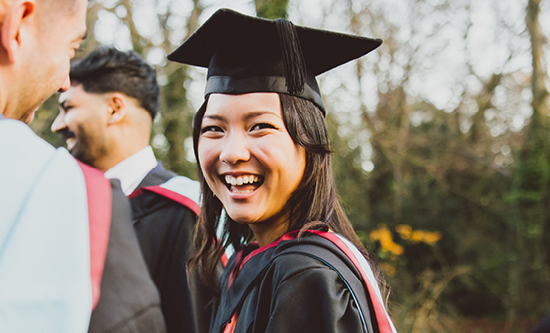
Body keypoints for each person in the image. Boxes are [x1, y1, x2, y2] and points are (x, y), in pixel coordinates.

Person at [168, 8, 398, 333]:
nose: (232, 153)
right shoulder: (250, 261)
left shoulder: (305, 274)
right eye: (214, 129)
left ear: (309, 143)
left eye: (260, 126)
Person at [0, 1, 165, 332]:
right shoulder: (72, 194)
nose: (64, 80)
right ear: (16, 24)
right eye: (71, 46)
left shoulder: (178, 209)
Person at [51, 46, 213, 333]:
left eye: (68, 108)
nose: (57, 125)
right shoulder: (69, 205)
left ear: (114, 108)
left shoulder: (180, 214)